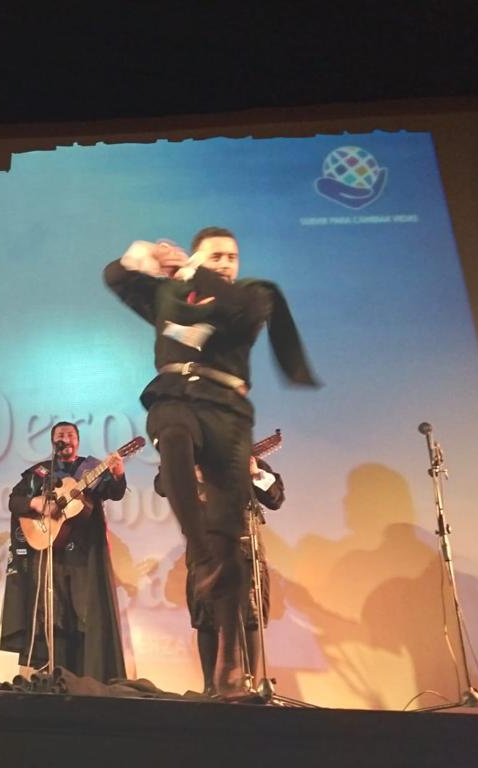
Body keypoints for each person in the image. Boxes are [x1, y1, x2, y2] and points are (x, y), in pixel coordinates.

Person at [104, 228, 316, 695]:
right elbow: (116, 276)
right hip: (176, 394)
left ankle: (232, 662)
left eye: (231, 256)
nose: (225, 263)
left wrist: (190, 268)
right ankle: (201, 554)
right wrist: (145, 254)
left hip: (227, 408)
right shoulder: (171, 298)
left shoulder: (252, 296)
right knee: (173, 432)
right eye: (215, 255)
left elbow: (233, 305)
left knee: (229, 539)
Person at [0, 421, 127, 683]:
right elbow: (14, 501)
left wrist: (118, 475)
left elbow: (114, 493)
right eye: (60, 435)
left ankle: (83, 679)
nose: (65, 439)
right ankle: (53, 675)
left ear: (77, 441)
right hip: (50, 556)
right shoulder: (40, 473)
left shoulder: (91, 468)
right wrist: (34, 502)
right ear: (53, 441)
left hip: (83, 555)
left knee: (83, 614)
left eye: (70, 435)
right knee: (53, 616)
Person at [185, 456, 285, 696]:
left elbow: (276, 499)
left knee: (251, 615)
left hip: (246, 548)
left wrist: (255, 473)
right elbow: (162, 484)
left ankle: (250, 684)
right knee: (206, 618)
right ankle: (210, 687)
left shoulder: (248, 460)